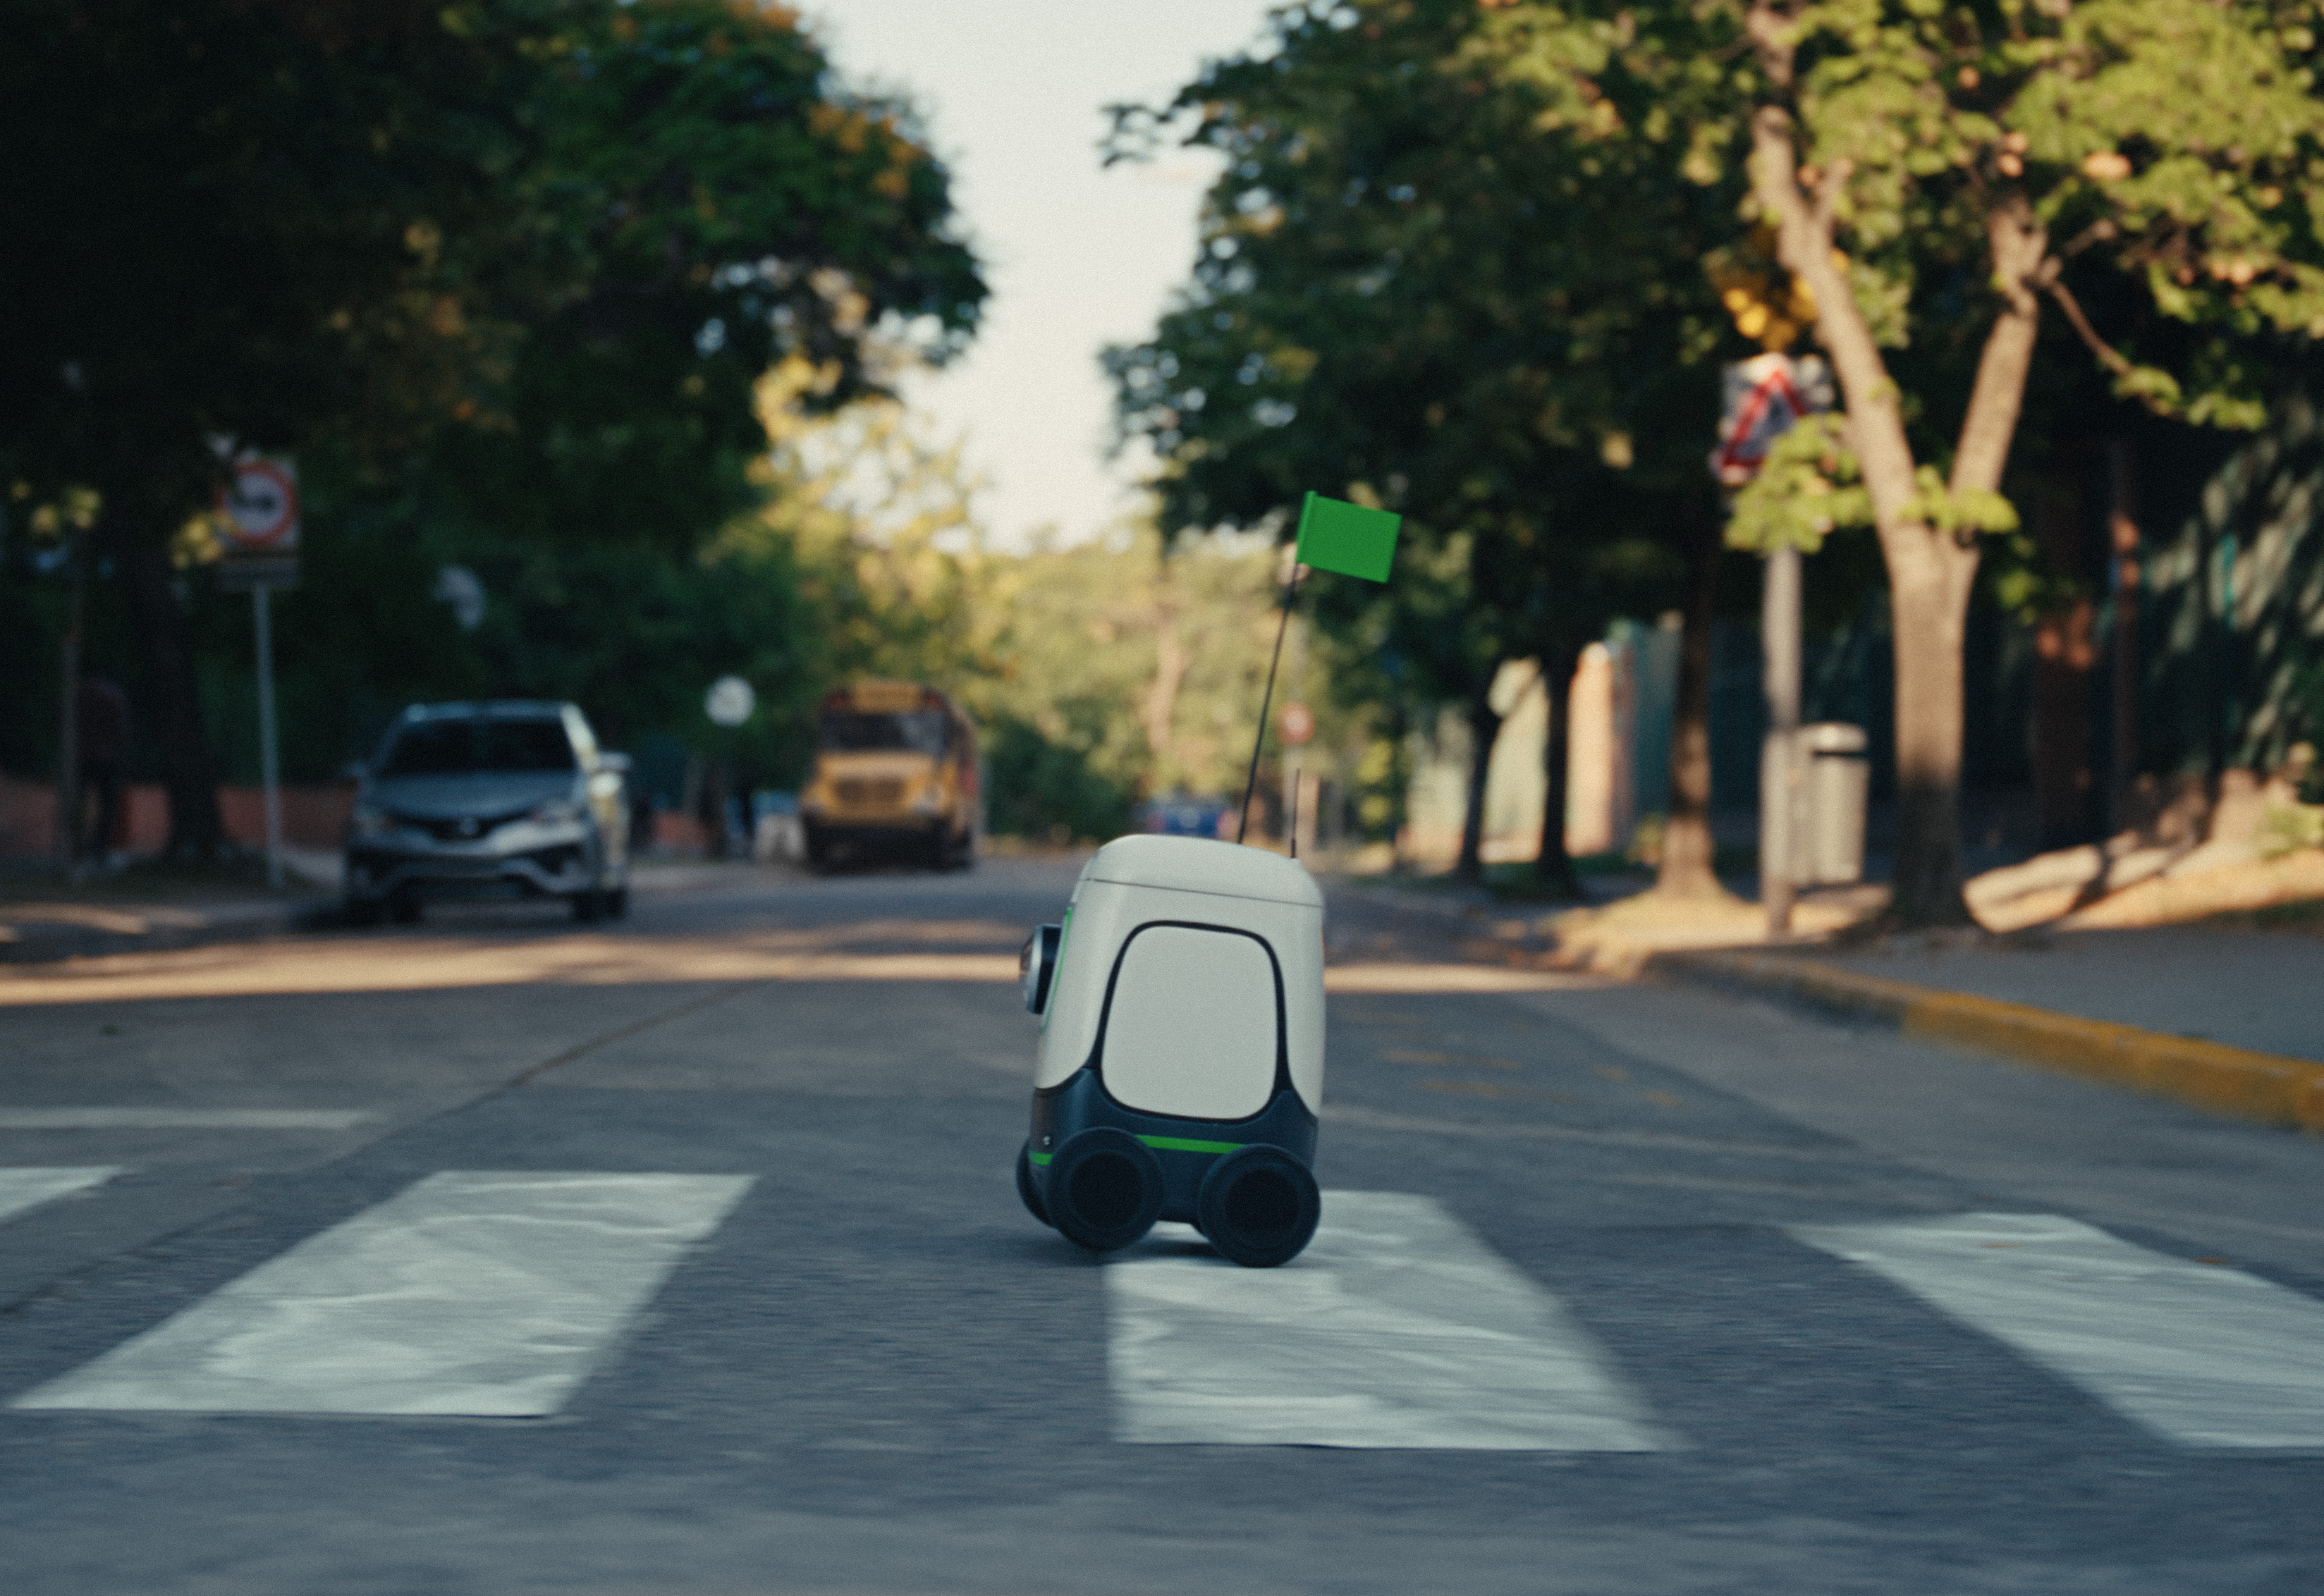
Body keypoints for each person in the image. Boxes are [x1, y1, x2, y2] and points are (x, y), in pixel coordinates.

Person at [76, 674, 130, 862]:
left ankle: (79, 846)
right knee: (108, 804)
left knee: (79, 801)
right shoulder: (111, 696)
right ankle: (99, 848)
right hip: (105, 757)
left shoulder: (79, 695)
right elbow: (120, 728)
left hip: (81, 756)